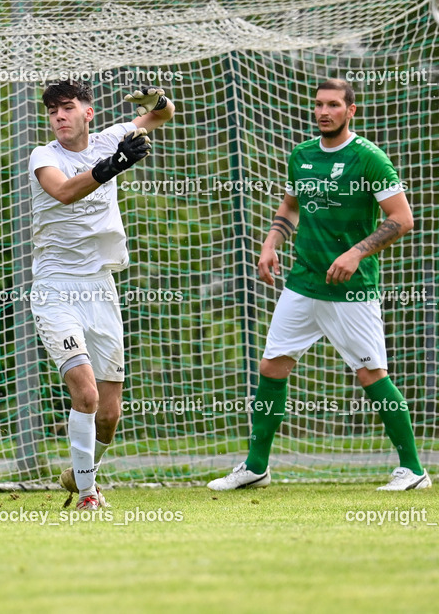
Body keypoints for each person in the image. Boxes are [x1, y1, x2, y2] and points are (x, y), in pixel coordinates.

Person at [208, 79, 429, 492]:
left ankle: (413, 470)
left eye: (333, 105)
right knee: (272, 366)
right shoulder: (302, 155)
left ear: (351, 111)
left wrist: (356, 252)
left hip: (351, 289)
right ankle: (256, 467)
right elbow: (291, 206)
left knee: (371, 374)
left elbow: (402, 218)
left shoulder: (369, 158)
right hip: (303, 282)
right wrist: (271, 243)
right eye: (319, 105)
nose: (324, 112)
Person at [28, 80, 175, 510]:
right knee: (87, 395)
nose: (59, 116)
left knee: (109, 414)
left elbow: (162, 115)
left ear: (87, 113)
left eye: (67, 108)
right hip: (56, 287)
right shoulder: (44, 156)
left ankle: (81, 472)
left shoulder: (111, 138)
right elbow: (63, 192)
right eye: (52, 110)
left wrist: (157, 100)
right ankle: (89, 496)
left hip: (101, 288)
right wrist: (114, 165)